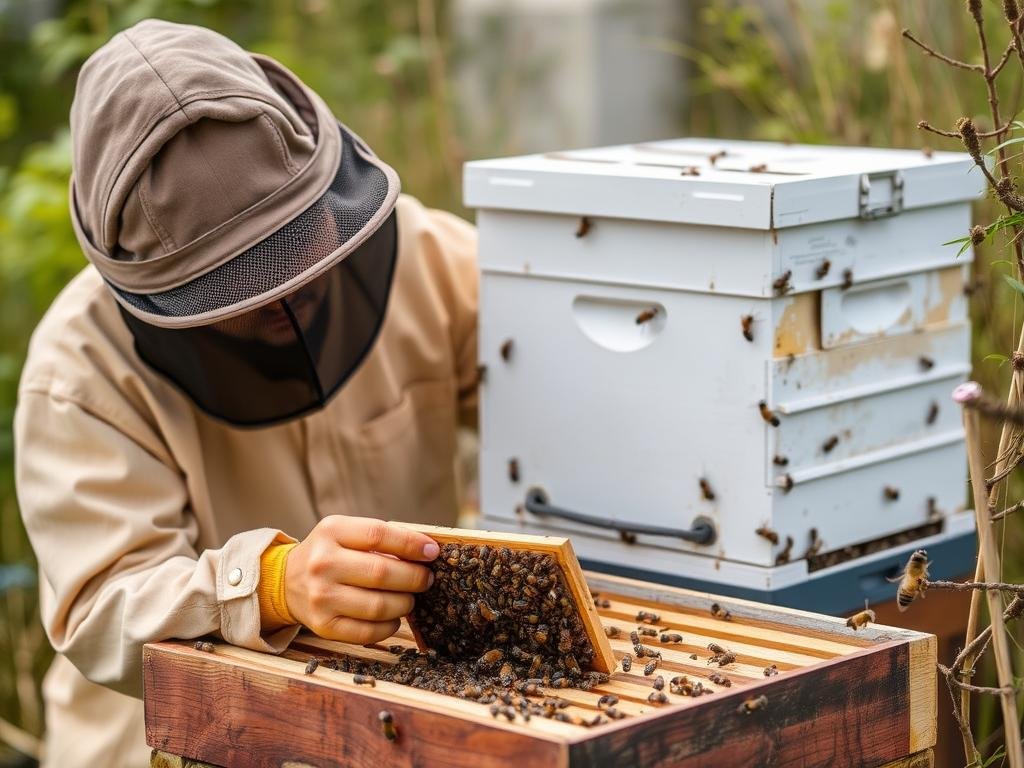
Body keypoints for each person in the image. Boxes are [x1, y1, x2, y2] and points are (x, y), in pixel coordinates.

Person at [14, 18, 478, 767]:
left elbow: (559, 398)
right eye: (237, 278)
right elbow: (102, 608)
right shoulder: (77, 373)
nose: (282, 293)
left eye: (296, 239)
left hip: (394, 731)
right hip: (174, 751)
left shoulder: (434, 259)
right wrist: (270, 585)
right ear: (160, 288)